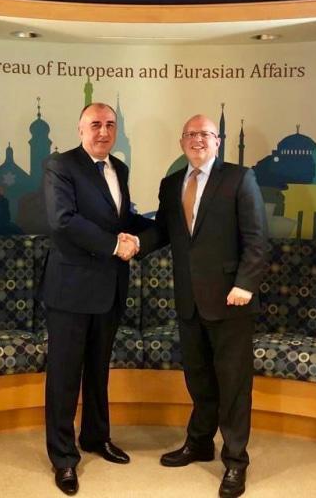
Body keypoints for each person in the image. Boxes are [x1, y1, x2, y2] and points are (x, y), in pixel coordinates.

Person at [137, 114, 268, 498]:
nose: (198, 140)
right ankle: (199, 442)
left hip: (231, 299)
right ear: (182, 142)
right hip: (189, 300)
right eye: (191, 134)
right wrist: (136, 244)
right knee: (198, 377)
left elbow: (257, 239)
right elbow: (163, 231)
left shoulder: (239, 178)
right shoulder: (171, 184)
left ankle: (236, 461)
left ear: (218, 141)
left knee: (233, 385)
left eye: (206, 134)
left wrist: (245, 284)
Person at [41, 102, 147, 496]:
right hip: (71, 290)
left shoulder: (120, 168)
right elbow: (63, 220)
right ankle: (63, 458)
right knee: (65, 376)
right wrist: (115, 246)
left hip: (110, 288)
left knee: (99, 370)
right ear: (81, 128)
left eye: (110, 124)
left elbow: (123, 221)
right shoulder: (60, 165)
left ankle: (96, 437)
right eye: (96, 124)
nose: (103, 131)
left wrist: (159, 231)